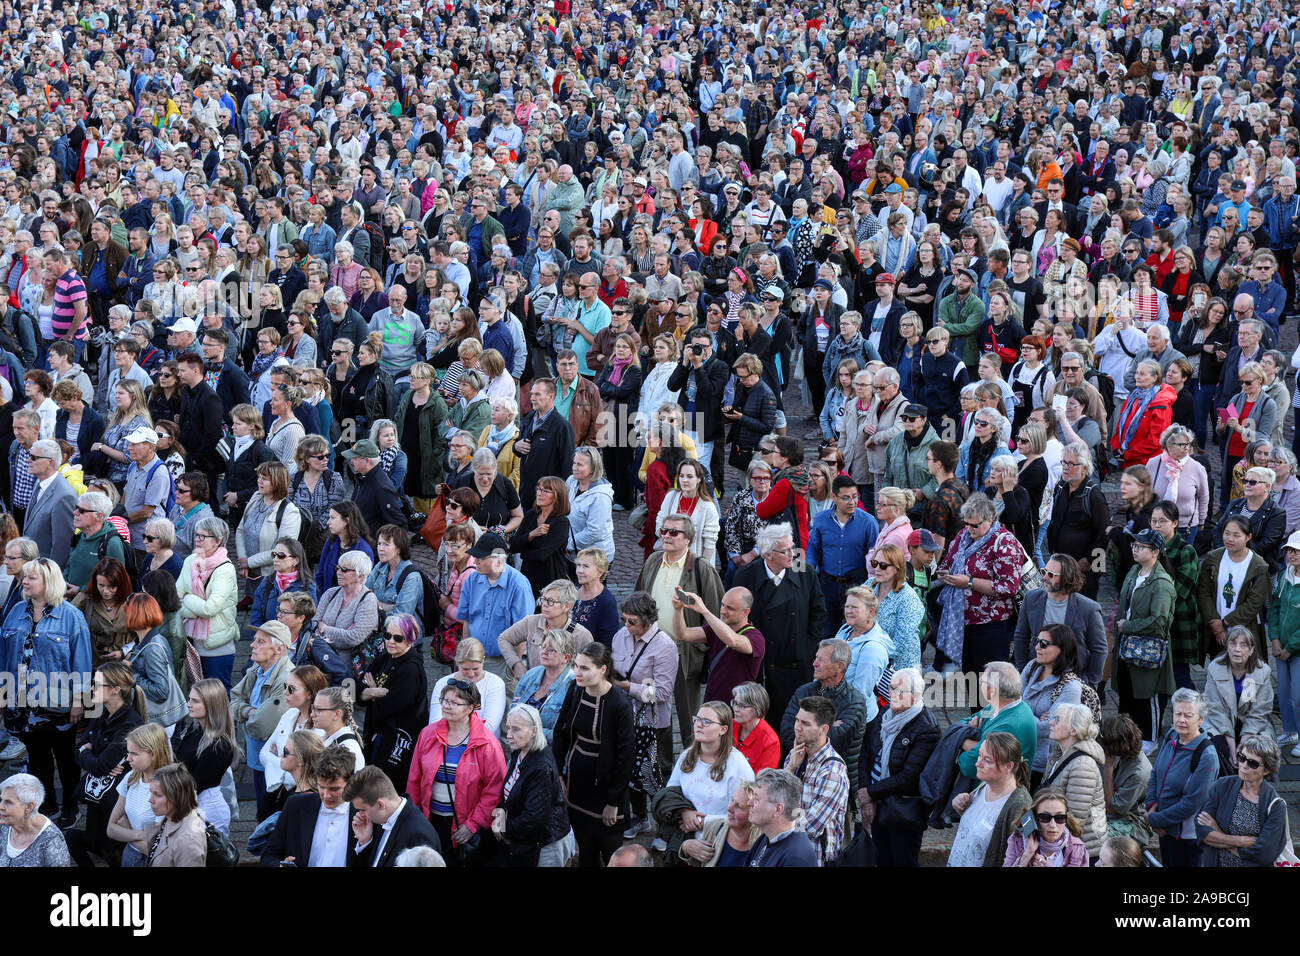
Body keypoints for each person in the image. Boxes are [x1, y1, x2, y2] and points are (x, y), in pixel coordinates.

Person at [0, 558, 93, 828]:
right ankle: (48, 803)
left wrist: (79, 700)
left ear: (48, 582)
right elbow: (5, 656)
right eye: (25, 577)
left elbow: (83, 661)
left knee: (66, 759)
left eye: (32, 578)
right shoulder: (16, 611)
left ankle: (71, 806)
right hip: (21, 703)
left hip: (59, 702)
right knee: (38, 759)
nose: (25, 582)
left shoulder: (71, 616)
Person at [734, 522, 827, 733]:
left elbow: (818, 612)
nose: (792, 554)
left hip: (796, 661)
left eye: (793, 547)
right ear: (768, 554)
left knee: (795, 720)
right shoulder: (746, 576)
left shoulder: (804, 572)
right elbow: (734, 616)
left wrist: (807, 647)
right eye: (785, 550)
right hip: (762, 663)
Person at [552, 642, 635, 867]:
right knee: (586, 851)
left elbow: (625, 756)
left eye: (585, 668)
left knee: (611, 853)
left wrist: (614, 801)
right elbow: (561, 732)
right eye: (576, 666)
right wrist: (559, 775)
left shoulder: (620, 703)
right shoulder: (575, 689)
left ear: (603, 669)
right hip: (577, 783)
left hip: (607, 788)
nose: (578, 672)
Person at [64, 662, 145, 867]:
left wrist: (89, 753)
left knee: (111, 850)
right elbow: (79, 751)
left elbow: (99, 765)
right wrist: (87, 752)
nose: (92, 688)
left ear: (116, 690)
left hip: (114, 799)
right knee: (74, 838)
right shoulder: (101, 713)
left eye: (97, 685)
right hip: (97, 795)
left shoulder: (129, 724)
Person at [857, 668, 939, 867]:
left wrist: (870, 793)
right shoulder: (886, 713)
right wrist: (867, 797)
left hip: (903, 811)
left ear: (916, 696)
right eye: (892, 689)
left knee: (902, 861)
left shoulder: (927, 729)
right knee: (881, 859)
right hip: (878, 802)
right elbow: (867, 753)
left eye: (900, 691)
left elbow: (908, 778)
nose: (893, 695)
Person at [653, 701, 756, 859]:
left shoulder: (738, 766)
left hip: (722, 843)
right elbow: (670, 794)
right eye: (697, 719)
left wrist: (703, 821)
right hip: (686, 840)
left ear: (723, 729)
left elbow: (747, 814)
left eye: (706, 721)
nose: (699, 725)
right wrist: (684, 812)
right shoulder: (686, 757)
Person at [935, 493, 1023, 675]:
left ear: (990, 520)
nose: (969, 529)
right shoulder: (963, 536)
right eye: (966, 523)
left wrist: (969, 583)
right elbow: (947, 562)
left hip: (991, 625)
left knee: (991, 683)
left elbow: (1008, 586)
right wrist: (944, 574)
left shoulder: (1005, 542)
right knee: (972, 680)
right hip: (963, 621)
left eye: (974, 525)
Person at [1147, 688, 1219, 867]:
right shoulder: (1172, 735)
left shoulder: (1207, 755)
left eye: (1188, 715)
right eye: (1177, 713)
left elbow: (1192, 803)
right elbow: (1155, 773)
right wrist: (1150, 806)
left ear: (1201, 719)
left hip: (1186, 837)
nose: (1181, 720)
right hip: (1163, 829)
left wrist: (1154, 819)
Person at [493, 704, 571, 867]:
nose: (509, 735)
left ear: (534, 731)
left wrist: (503, 828)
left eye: (516, 729)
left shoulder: (541, 766)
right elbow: (507, 793)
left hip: (546, 844)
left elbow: (533, 819)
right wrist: (499, 817)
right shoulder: (519, 751)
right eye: (508, 728)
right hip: (527, 839)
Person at [230, 620, 294, 820]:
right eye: (255, 640)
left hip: (274, 763)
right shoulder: (255, 670)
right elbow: (233, 699)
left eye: (260, 642)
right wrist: (250, 712)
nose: (252, 645)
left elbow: (259, 727)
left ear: (279, 648)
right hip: (259, 757)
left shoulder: (285, 679)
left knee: (269, 815)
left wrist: (245, 715)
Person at [1195, 734, 1289, 867]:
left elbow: (1263, 854)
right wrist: (1241, 841)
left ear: (1267, 770)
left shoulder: (1276, 806)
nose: (1244, 765)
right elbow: (1201, 830)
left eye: (1252, 763)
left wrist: (1217, 832)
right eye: (1242, 758)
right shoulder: (1222, 785)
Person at [260, 745, 358, 867]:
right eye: (321, 787)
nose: (326, 795)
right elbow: (269, 855)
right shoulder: (295, 806)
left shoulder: (365, 814)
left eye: (334, 789)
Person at [948, 732, 1033, 868]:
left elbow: (1026, 853)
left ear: (1009, 766)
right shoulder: (983, 785)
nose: (978, 763)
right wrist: (962, 808)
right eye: (979, 755)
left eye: (987, 760)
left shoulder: (1021, 806)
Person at [1198, 515, 1271, 666]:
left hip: (1244, 629)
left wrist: (1225, 624)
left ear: (1248, 537)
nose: (1230, 539)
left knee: (1243, 673)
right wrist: (1215, 624)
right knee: (1218, 670)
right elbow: (1204, 592)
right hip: (1215, 628)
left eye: (1236, 535)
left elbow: (1254, 603)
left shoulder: (1258, 566)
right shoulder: (1213, 558)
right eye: (1227, 533)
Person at [176, 516, 239, 690]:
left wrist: (188, 599)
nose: (197, 539)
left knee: (218, 697)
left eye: (203, 536)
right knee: (198, 697)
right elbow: (176, 598)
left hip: (217, 647)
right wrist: (195, 607)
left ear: (217, 541)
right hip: (192, 643)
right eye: (196, 534)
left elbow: (210, 608)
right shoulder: (190, 561)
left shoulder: (225, 569)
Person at [1040, 702, 1107, 861]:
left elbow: (1075, 820)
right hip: (1063, 844)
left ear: (1074, 730)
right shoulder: (1059, 755)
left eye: (1057, 719)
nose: (1050, 722)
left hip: (1082, 852)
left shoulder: (1083, 765)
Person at [1203, 626, 1274, 772]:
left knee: (1255, 748)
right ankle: (1222, 783)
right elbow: (1215, 708)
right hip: (1220, 723)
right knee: (1217, 747)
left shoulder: (1262, 671)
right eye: (1233, 643)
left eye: (1243, 645)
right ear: (1227, 646)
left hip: (1252, 723)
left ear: (1252, 649)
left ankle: (1254, 785)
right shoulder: (1214, 668)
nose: (1237, 649)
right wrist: (1230, 741)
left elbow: (1260, 711)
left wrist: (1244, 739)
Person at [348, 765, 445, 867]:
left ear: (380, 804)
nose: (360, 814)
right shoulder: (382, 817)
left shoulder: (418, 836)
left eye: (363, 809)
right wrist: (365, 842)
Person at [104, 723, 171, 867]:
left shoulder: (167, 787)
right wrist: (141, 835)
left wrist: (126, 831)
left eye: (134, 753)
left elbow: (157, 850)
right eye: (128, 753)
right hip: (130, 856)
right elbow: (111, 829)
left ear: (153, 753)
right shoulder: (130, 778)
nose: (128, 758)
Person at [428, 638, 508, 736]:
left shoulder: (495, 683)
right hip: (447, 744)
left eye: (475, 669)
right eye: (465, 669)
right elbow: (434, 724)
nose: (471, 674)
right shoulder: (442, 683)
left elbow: (490, 727)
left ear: (483, 660)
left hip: (483, 745)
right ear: (457, 662)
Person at [508, 476, 571, 596]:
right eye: (538, 489)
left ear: (557, 496)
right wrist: (531, 534)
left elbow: (542, 554)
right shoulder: (531, 515)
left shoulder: (561, 522)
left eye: (545, 491)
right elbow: (513, 546)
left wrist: (523, 553)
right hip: (528, 576)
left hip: (551, 579)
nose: (539, 493)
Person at [745, 768, 819, 867]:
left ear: (778, 809)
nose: (749, 803)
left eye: (757, 798)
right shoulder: (766, 838)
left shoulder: (796, 858)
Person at [1001, 788, 1090, 867]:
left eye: (1059, 818)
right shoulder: (1017, 840)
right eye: (1045, 817)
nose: (1053, 825)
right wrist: (1027, 854)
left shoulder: (1078, 848)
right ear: (1035, 818)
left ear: (1066, 819)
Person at [0, 773, 73, 867]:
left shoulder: (51, 841)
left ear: (28, 807)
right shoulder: (5, 823)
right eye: (2, 800)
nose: (1, 806)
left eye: (8, 802)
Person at [143, 763, 206, 867]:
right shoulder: (170, 816)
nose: (150, 800)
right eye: (151, 793)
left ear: (176, 797)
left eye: (157, 795)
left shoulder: (188, 842)